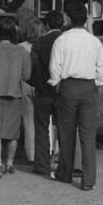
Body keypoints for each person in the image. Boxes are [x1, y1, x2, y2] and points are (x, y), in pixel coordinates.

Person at [48, 1, 103, 191]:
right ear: (86, 19)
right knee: (88, 136)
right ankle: (88, 180)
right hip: (89, 88)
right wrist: (95, 85)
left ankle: (64, 173)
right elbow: (101, 72)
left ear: (67, 18)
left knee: (66, 134)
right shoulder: (94, 41)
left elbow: (54, 69)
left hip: (68, 87)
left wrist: (58, 83)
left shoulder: (62, 40)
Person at [0, 18, 31, 178]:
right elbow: (27, 75)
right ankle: (9, 163)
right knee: (12, 132)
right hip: (14, 95)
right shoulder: (22, 52)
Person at [29, 10, 64, 177]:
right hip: (62, 91)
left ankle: (41, 165)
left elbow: (33, 67)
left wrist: (36, 84)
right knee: (64, 129)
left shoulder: (39, 42)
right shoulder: (66, 41)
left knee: (42, 129)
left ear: (47, 25)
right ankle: (63, 164)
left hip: (43, 90)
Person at [17, 17, 44, 165]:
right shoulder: (46, 45)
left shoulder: (21, 47)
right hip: (41, 85)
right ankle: (49, 151)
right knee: (44, 121)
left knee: (28, 121)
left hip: (25, 84)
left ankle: (31, 154)